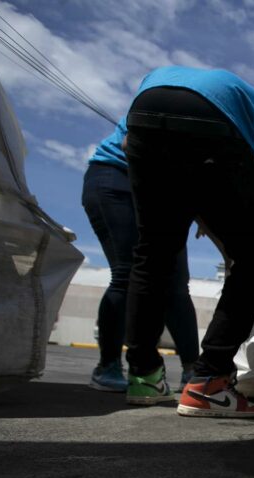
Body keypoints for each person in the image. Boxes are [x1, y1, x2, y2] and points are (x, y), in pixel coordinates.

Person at [121, 66, 254, 417]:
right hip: (216, 119)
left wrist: (235, 264)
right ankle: (209, 382)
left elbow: (130, 144)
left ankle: (144, 376)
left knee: (154, 251)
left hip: (147, 104)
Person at [82, 121, 201, 393]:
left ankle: (193, 372)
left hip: (163, 192)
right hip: (118, 177)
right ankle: (109, 366)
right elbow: (129, 144)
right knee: (127, 272)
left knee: (177, 283)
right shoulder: (166, 102)